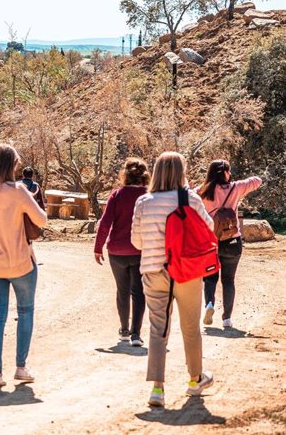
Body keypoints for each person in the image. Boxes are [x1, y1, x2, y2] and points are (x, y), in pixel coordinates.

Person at [131, 152, 215, 407]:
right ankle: (195, 379)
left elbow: (136, 241)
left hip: (154, 272)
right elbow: (208, 227)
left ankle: (157, 389)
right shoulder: (189, 198)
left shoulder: (143, 202)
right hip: (187, 271)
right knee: (190, 327)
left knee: (158, 329)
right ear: (181, 172)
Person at [0, 145, 47, 388]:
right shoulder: (17, 191)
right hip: (20, 263)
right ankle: (21, 367)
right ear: (11, 165)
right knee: (25, 312)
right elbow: (41, 220)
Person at [197, 160, 262, 329]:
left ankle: (209, 304)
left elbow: (187, 197)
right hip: (232, 241)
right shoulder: (236, 187)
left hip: (211, 242)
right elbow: (257, 180)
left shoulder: (202, 191)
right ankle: (227, 319)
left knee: (210, 278)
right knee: (229, 280)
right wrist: (240, 184)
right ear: (225, 172)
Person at [94, 158, 150, 346]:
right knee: (139, 291)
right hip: (140, 250)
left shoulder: (117, 194)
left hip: (117, 251)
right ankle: (136, 334)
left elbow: (105, 222)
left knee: (122, 290)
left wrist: (98, 247)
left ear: (125, 174)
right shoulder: (149, 196)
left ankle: (124, 330)